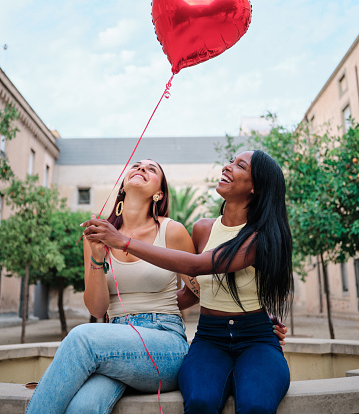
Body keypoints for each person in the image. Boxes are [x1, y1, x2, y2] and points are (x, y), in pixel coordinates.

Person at [82, 150, 293, 414]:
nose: (227, 167)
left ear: (256, 187)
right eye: (230, 161)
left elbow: (195, 265)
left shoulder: (261, 237)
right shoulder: (203, 228)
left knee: (255, 406)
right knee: (200, 403)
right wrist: (150, 306)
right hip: (209, 338)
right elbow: (196, 289)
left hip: (257, 339)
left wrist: (123, 242)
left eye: (240, 166)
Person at [26, 159, 197, 414]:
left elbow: (198, 290)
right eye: (137, 165)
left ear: (159, 193)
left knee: (82, 338)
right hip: (113, 342)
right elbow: (97, 309)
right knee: (83, 407)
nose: (141, 169)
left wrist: (163, 307)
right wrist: (96, 257)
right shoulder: (98, 235)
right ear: (124, 184)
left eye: (151, 169)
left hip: (164, 344)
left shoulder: (172, 231)